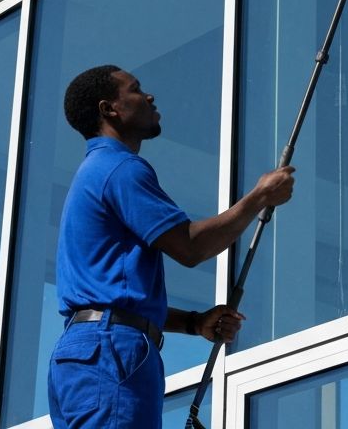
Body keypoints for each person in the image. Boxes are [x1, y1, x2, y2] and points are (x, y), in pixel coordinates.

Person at [48, 64, 295, 429]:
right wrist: (259, 198)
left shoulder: (94, 172)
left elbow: (114, 298)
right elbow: (189, 247)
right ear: (109, 109)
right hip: (111, 351)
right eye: (135, 89)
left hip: (86, 354)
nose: (148, 96)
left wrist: (194, 323)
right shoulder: (121, 169)